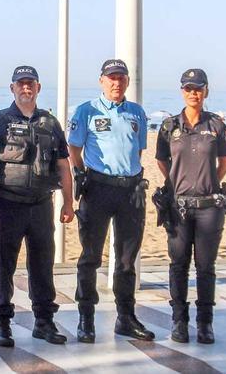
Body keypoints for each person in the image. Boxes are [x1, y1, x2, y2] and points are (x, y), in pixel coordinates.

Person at [0, 65, 74, 347]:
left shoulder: (50, 123)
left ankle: (44, 322)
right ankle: (2, 322)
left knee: (42, 265)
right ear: (12, 88)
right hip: (7, 205)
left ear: (38, 88)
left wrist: (68, 202)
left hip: (41, 205)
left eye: (31, 84)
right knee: (2, 265)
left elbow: (64, 165)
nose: (26, 88)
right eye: (21, 84)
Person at [67, 58, 155, 343]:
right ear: (102, 81)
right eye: (111, 78)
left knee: (127, 259)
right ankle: (86, 318)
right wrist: (83, 174)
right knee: (90, 256)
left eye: (121, 78)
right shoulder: (86, 111)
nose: (116, 83)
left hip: (130, 191)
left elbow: (137, 152)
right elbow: (74, 148)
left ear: (127, 81)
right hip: (98, 189)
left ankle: (125, 318)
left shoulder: (137, 113)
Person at [155, 69, 226, 345]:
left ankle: (204, 323)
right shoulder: (168, 127)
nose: (193, 93)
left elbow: (224, 161)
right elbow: (162, 161)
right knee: (178, 265)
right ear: (182, 92)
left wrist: (209, 182)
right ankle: (179, 321)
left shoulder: (217, 125)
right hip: (179, 206)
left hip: (209, 207)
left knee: (205, 267)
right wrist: (176, 182)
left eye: (198, 88)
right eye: (188, 88)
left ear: (206, 91)